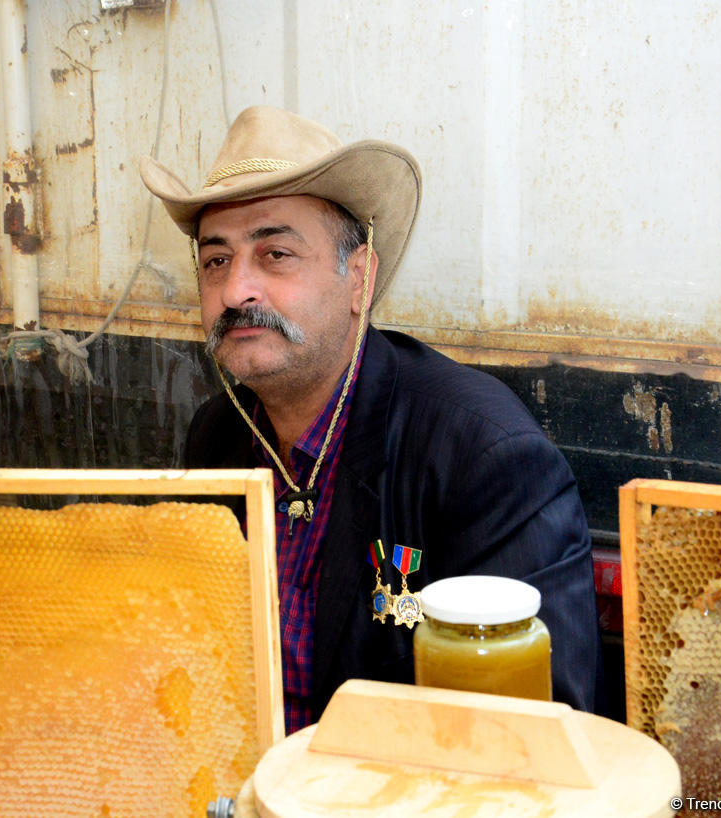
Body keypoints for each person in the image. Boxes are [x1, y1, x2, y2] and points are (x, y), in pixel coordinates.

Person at [140, 106, 600, 733]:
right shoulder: (219, 434)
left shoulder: (479, 452)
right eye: (216, 261)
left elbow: (548, 722)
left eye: (275, 253)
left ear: (359, 278)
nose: (235, 290)